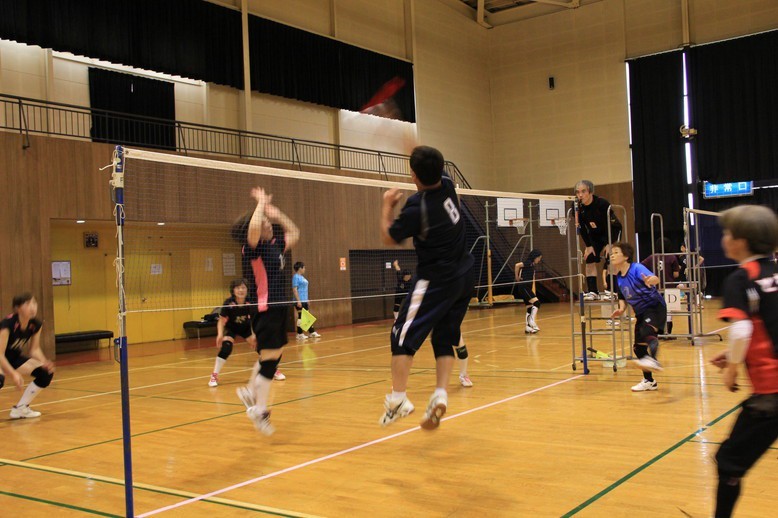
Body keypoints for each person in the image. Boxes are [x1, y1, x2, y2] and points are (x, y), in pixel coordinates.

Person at [379, 145, 474, 430]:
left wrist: (387, 205)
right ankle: (440, 394)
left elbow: (388, 237)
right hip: (464, 274)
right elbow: (431, 169)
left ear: (413, 175)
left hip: (434, 280)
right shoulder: (448, 185)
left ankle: (398, 400)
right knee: (444, 335)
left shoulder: (416, 207)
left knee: (401, 337)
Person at [709, 205, 778, 518]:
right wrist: (737, 353)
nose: (724, 238)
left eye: (727, 233)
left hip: (771, 393)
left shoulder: (741, 278)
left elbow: (741, 330)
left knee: (728, 463)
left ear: (741, 241)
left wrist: (733, 368)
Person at [232, 187, 299, 435]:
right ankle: (259, 411)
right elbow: (252, 233)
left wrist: (277, 214)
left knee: (273, 355)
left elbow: (295, 232)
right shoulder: (253, 248)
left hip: (279, 308)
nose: (267, 223)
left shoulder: (275, 245)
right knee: (270, 361)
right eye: (263, 222)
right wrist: (260, 204)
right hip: (266, 308)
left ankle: (250, 392)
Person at [393, 259, 473, 388]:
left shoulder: (455, 282)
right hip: (430, 320)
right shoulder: (426, 283)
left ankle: (464, 375)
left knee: (460, 347)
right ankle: (399, 383)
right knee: (409, 347)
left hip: (447, 322)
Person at [608, 242, 667, 392]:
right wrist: (621, 309)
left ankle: (654, 361)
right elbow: (622, 295)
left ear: (626, 256)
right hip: (640, 312)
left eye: (616, 252)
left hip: (654, 307)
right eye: (611, 253)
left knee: (647, 332)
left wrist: (651, 280)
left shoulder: (636, 268)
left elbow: (655, 278)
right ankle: (649, 382)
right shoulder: (618, 277)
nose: (612, 256)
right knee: (638, 348)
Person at [208, 279, 285, 387]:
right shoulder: (228, 303)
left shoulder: (250, 302)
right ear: (233, 290)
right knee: (226, 348)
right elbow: (221, 321)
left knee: (262, 348)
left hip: (246, 328)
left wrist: (254, 334)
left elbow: (254, 320)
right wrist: (220, 334)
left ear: (247, 289)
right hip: (231, 328)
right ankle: (214, 375)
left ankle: (271, 369)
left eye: (243, 287)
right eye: (238, 288)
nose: (241, 290)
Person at [0, 293, 55, 419]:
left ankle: (21, 408)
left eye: (34, 303)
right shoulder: (7, 324)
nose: (32, 307)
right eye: (28, 304)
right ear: (18, 308)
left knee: (45, 373)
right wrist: (13, 374)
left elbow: (34, 349)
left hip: (13, 357)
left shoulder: (35, 324)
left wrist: (45, 361)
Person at [575, 180, 623, 300]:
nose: (580, 195)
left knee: (611, 258)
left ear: (590, 192)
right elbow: (582, 228)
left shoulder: (602, 203)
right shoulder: (577, 207)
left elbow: (610, 225)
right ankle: (593, 292)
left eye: (583, 191)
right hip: (595, 234)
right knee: (589, 258)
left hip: (612, 232)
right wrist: (588, 245)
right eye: (578, 192)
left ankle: (612, 291)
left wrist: (609, 243)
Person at [641, 238, 680, 338]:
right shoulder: (672, 257)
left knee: (656, 310)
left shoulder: (652, 257)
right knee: (669, 310)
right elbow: (676, 274)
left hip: (655, 287)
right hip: (669, 287)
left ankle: (657, 332)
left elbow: (641, 267)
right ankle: (667, 333)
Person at [514, 249, 543, 334]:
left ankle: (527, 327)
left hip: (527, 287)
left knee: (529, 307)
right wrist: (517, 277)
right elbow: (517, 265)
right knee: (537, 303)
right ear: (535, 257)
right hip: (524, 287)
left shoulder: (532, 265)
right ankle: (531, 321)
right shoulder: (528, 263)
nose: (539, 260)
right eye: (539, 258)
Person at [292, 262, 321, 340]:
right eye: (304, 267)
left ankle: (311, 332)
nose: (305, 269)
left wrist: (307, 299)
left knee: (306, 317)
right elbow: (295, 290)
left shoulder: (302, 277)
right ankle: (300, 334)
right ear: (300, 268)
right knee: (301, 317)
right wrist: (298, 301)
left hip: (304, 300)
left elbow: (304, 289)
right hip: (299, 301)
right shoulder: (295, 277)